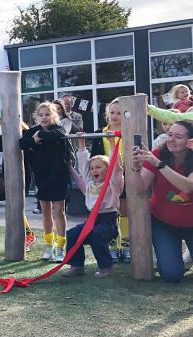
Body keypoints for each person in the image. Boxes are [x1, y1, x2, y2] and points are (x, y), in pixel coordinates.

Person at [132, 121, 193, 282]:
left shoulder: (157, 160)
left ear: (190, 141)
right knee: (172, 276)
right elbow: (140, 189)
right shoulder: (158, 154)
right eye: (170, 135)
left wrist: (158, 165)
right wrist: (136, 169)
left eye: (178, 136)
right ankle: (178, 260)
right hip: (164, 223)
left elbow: (187, 187)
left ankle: (186, 257)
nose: (171, 139)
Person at [63, 133, 124, 278]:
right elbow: (84, 166)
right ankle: (77, 265)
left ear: (107, 169)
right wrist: (81, 145)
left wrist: (111, 144)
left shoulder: (113, 184)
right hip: (92, 220)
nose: (94, 170)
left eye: (99, 167)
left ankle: (106, 267)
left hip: (108, 222)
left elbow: (116, 168)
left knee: (97, 235)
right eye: (93, 168)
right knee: (72, 234)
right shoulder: (89, 184)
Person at [20, 102, 70, 263]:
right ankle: (49, 245)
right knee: (45, 212)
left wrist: (38, 137)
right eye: (41, 115)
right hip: (42, 177)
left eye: (47, 114)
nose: (44, 117)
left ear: (54, 115)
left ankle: (61, 247)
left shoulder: (58, 128)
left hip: (58, 177)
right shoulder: (34, 130)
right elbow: (21, 143)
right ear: (37, 116)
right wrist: (33, 139)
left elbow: (57, 135)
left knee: (58, 212)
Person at [0, 119, 38, 252]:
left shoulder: (27, 133)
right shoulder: (6, 134)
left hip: (23, 173)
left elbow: (28, 149)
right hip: (9, 173)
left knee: (17, 205)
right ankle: (26, 234)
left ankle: (28, 234)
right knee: (12, 205)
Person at [90, 99, 130, 263]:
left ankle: (126, 246)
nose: (115, 116)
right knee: (110, 213)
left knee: (126, 211)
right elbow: (94, 157)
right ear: (107, 114)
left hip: (126, 177)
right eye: (112, 112)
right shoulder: (101, 133)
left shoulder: (130, 131)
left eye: (119, 113)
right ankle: (113, 246)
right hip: (107, 180)